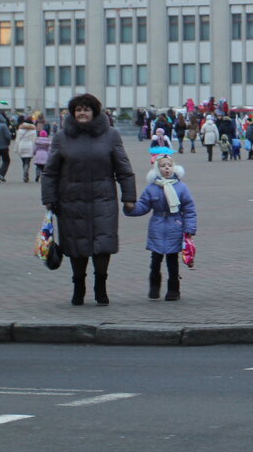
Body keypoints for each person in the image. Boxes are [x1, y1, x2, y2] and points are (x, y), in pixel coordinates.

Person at [41, 94, 137, 306]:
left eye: (86, 109)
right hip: (70, 202)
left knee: (103, 244)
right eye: (78, 110)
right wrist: (49, 198)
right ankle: (78, 286)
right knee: (76, 246)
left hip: (103, 200)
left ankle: (101, 286)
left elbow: (124, 168)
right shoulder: (61, 137)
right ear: (73, 113)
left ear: (95, 112)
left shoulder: (111, 135)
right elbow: (50, 172)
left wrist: (129, 197)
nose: (82, 113)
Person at [126, 154, 197, 301]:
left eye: (169, 165)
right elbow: (143, 206)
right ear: (157, 169)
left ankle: (173, 290)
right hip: (157, 226)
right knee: (155, 260)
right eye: (163, 166)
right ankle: (154, 287)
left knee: (172, 261)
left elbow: (189, 209)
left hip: (175, 225)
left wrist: (190, 229)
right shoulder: (152, 188)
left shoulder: (181, 187)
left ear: (174, 168)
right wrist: (130, 208)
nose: (166, 168)